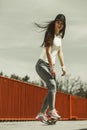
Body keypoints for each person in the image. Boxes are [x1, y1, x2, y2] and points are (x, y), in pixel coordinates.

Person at [35, 14, 66, 122]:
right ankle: (52, 110)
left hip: (50, 66)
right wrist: (52, 68)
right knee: (52, 85)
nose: (60, 25)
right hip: (42, 64)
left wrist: (63, 66)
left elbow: (60, 52)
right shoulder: (50, 34)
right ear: (55, 22)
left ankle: (42, 113)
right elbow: (48, 52)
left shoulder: (59, 37)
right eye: (58, 22)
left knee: (52, 89)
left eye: (62, 24)